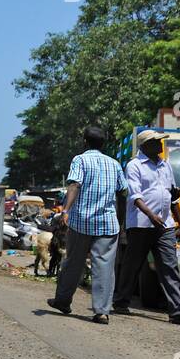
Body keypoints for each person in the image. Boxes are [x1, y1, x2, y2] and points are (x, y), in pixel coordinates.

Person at [112, 130, 180, 325]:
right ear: (145, 145)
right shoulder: (134, 166)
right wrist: (151, 216)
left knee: (169, 267)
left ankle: (179, 312)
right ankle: (121, 301)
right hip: (141, 225)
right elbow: (135, 196)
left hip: (165, 225)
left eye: (160, 141)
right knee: (132, 265)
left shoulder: (165, 165)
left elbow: (173, 195)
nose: (160, 144)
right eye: (156, 141)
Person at [47, 126, 128, 323]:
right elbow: (123, 193)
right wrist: (121, 220)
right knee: (104, 267)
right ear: (104, 144)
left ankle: (63, 301)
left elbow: (74, 184)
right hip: (108, 223)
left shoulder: (80, 160)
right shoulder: (114, 164)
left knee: (73, 262)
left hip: (81, 221)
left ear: (84, 142)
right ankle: (101, 311)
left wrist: (65, 210)